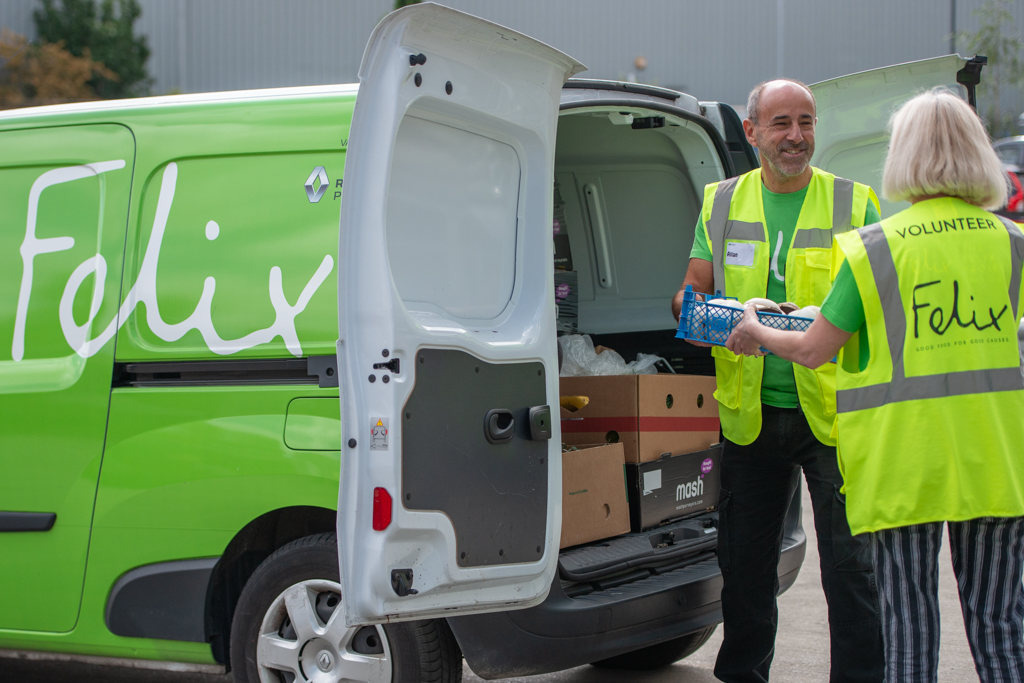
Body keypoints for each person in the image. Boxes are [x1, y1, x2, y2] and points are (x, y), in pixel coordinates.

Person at [724, 88, 1024, 683]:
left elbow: (815, 347)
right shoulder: (1014, 244)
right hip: (996, 461)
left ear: (904, 155)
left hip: (905, 464)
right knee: (1001, 629)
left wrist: (758, 326)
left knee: (908, 631)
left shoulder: (877, 248)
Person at [671, 79, 885, 683]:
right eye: (783, 124)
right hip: (751, 413)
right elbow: (689, 291)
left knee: (852, 570)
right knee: (744, 570)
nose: (797, 137)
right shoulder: (720, 201)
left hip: (834, 417)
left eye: (807, 122)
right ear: (753, 131)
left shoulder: (855, 203)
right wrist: (709, 315)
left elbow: (876, 306)